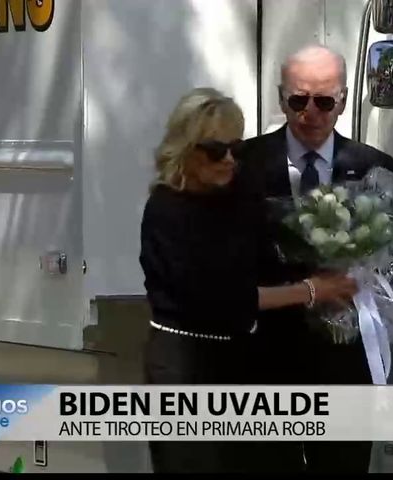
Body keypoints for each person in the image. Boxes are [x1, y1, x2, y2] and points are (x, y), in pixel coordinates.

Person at [139, 87, 358, 473]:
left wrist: (335, 259)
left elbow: (273, 259)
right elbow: (221, 298)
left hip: (250, 362)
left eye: (236, 149)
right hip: (186, 368)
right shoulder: (166, 211)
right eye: (215, 150)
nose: (229, 159)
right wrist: (310, 291)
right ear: (185, 149)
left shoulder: (239, 196)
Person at [234, 44, 393, 473]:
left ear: (343, 100)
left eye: (323, 102)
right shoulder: (242, 164)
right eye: (298, 101)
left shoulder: (378, 170)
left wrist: (371, 283)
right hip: (265, 355)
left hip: (346, 360)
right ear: (281, 98)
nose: (310, 114)